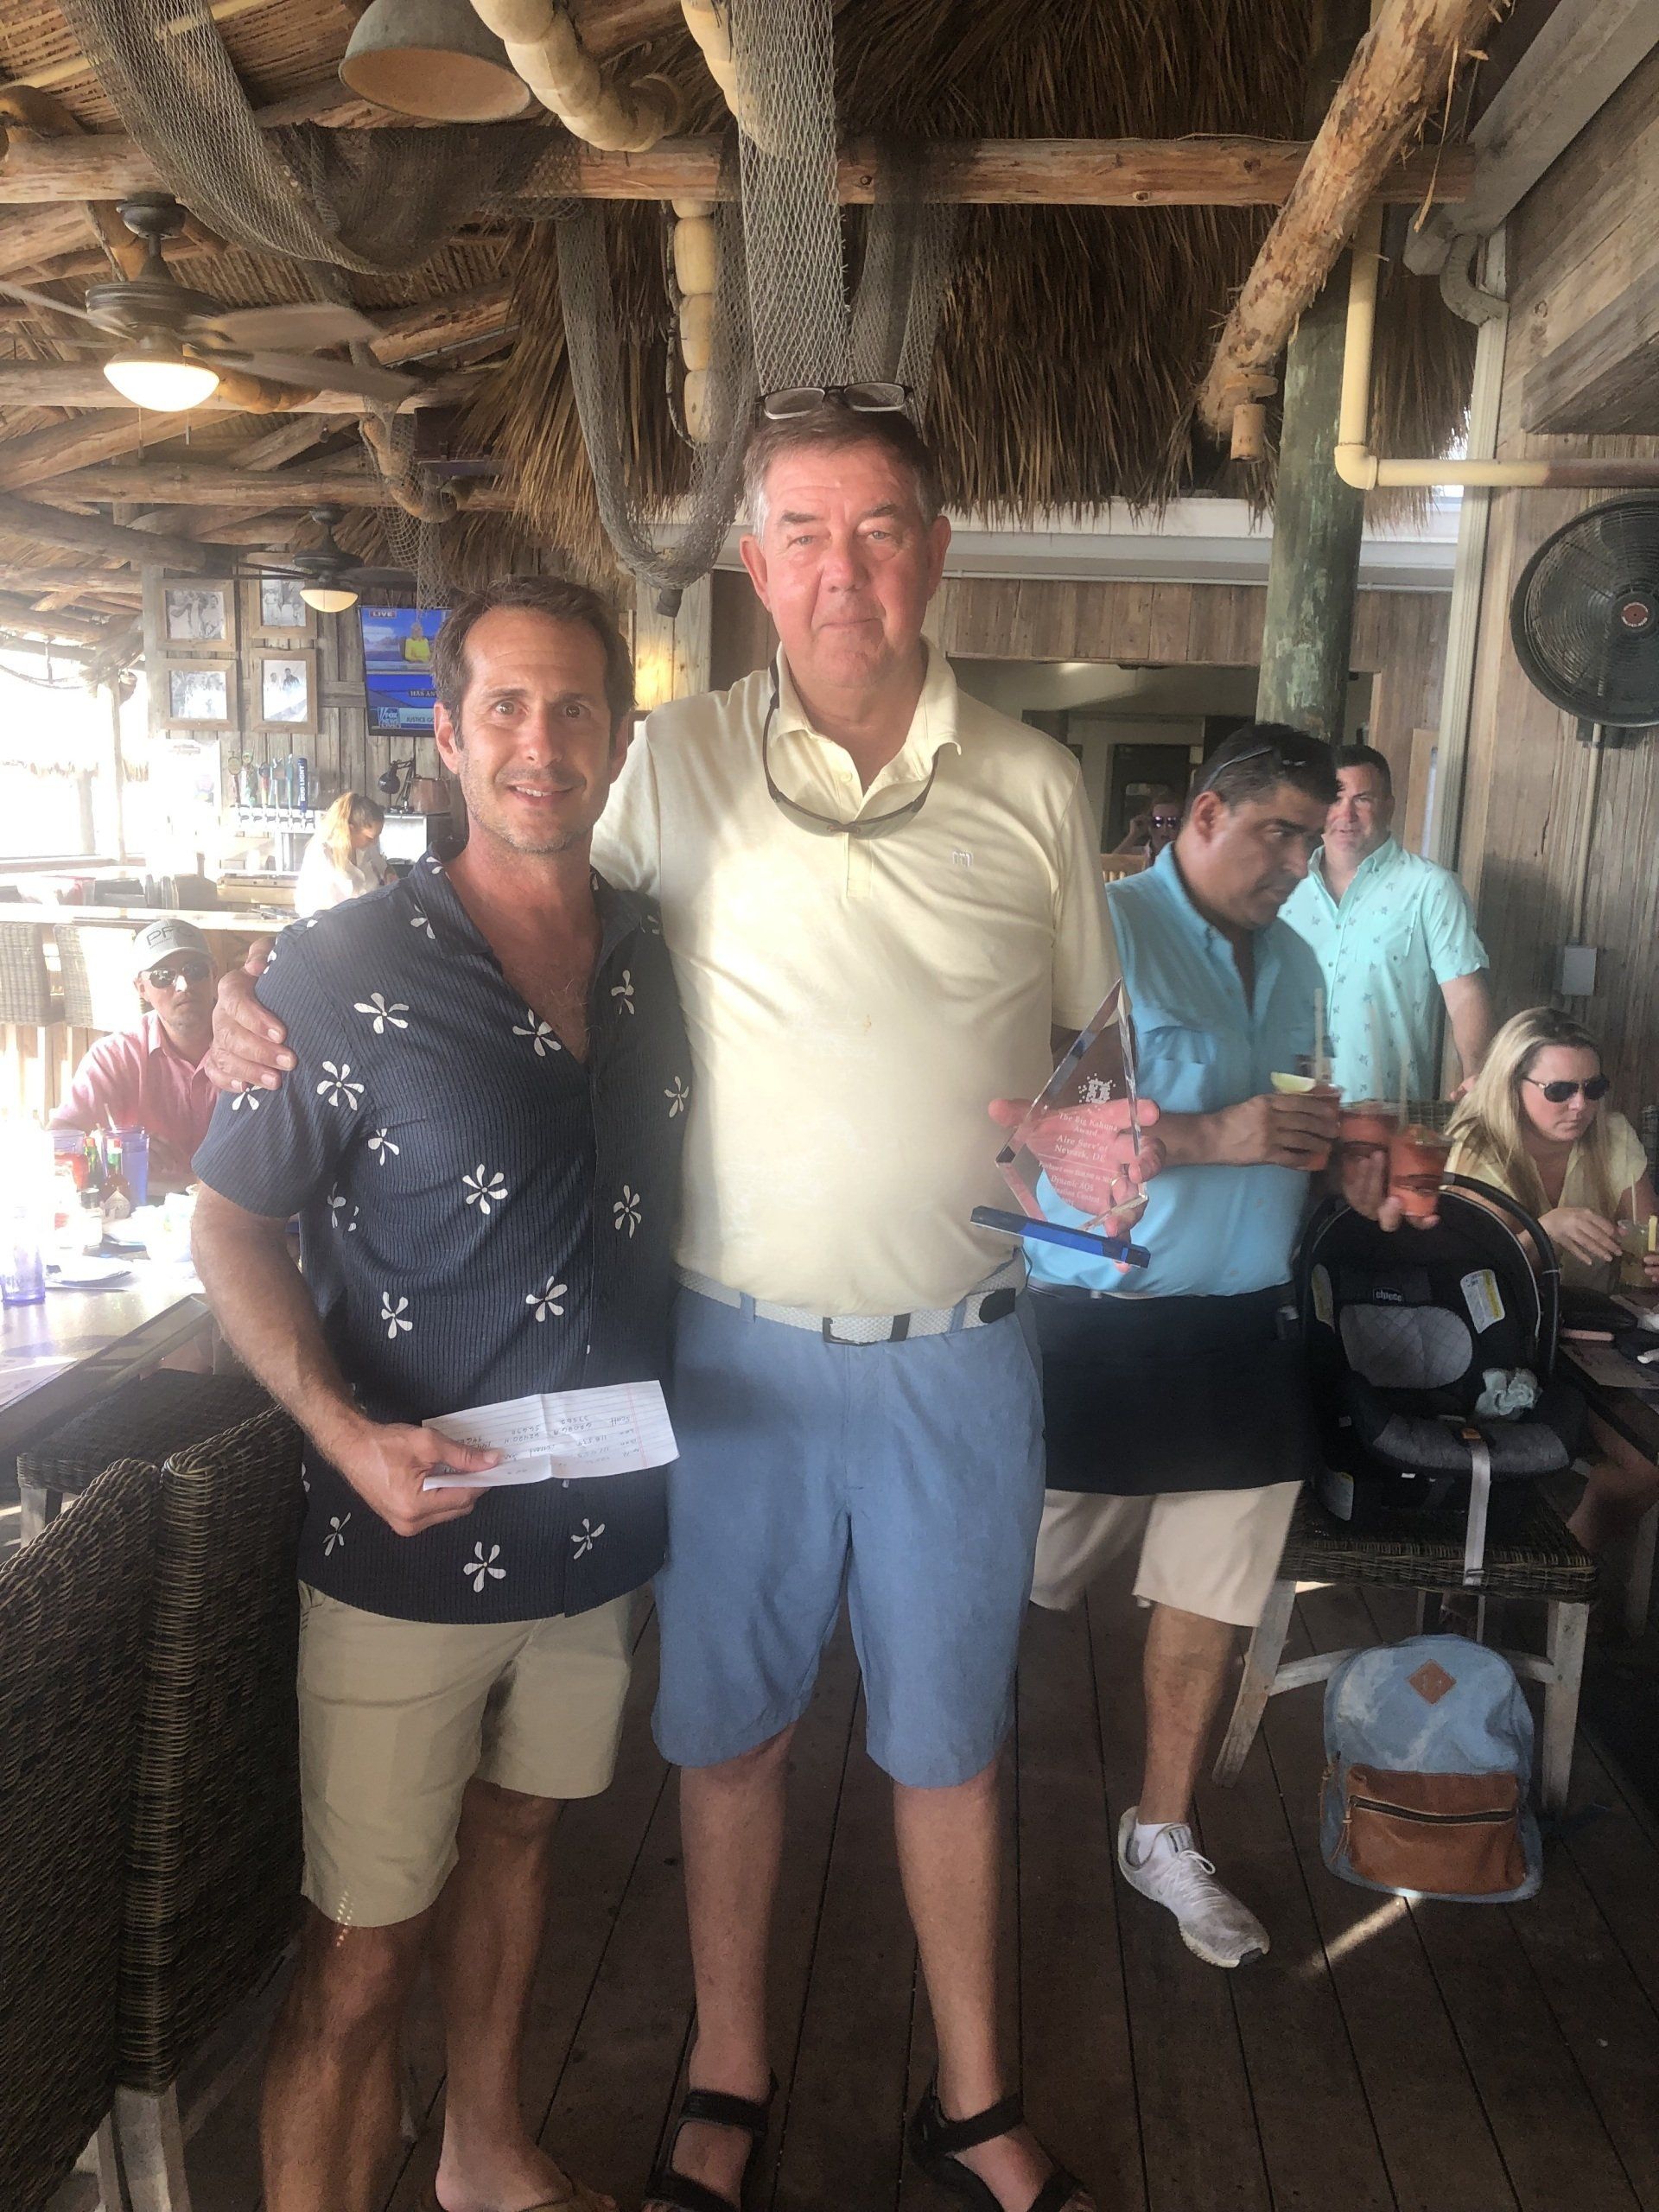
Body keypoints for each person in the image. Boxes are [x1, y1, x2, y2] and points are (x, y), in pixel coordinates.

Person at [207, 404, 1154, 2212]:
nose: (842, 568)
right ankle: (728, 2070)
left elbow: (1092, 1047)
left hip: (959, 1353)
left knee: (949, 1747)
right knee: (725, 1738)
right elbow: (492, 886)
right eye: (802, 531)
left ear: (937, 549)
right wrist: (258, 985)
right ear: (756, 568)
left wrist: (1104, 1140)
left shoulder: (1038, 782)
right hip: (720, 1360)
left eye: (880, 529)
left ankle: (971, 2097)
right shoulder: (679, 767)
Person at [189, 577, 690, 2212]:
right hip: (407, 1531)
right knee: (358, 1946)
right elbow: (229, 1218)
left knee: (529, 1842)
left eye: (573, 712)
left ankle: (484, 2148)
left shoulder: (654, 954)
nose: (540, 744)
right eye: (505, 711)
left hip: (594, 1523)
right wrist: (339, 1433)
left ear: (619, 740)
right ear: (449, 737)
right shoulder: (333, 971)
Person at [1010, 724, 1416, 1971]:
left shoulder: (1296, 961)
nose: (1298, 858)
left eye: (1319, 830)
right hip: (1092, 1323)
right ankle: (955, 1790)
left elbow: (1289, 1116)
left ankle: (1165, 1829)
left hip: (1243, 1325)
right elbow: (1036, 1125)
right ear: (1202, 815)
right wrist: (1215, 1137)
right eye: (1276, 832)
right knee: (1002, 1588)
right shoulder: (1101, 927)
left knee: (1208, 1603)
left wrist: (1349, 1154)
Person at [1447, 1006, 1659, 1556]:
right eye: (1560, 1088)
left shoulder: (1611, 1135)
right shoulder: (1479, 1147)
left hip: (1588, 1337)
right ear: (1512, 1085)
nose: (1580, 1105)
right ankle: (1534, 1588)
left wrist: (1655, 1260)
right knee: (1641, 1466)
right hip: (1498, 1347)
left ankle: (1556, 1589)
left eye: (1594, 1087)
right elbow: (1465, 1284)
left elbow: (1645, 1238)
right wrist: (1543, 1233)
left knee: (1644, 1466)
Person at [1280, 742, 1493, 1102]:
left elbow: (1466, 995)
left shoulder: (1430, 888)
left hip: (1385, 1117)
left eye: (1363, 799)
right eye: (1336, 798)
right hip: (1286, 1112)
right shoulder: (1284, 885)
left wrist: (1480, 1077)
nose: (1346, 814)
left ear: (1389, 806)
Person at [50, 917, 217, 1192]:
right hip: (143, 1210)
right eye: (163, 976)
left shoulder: (251, 1044)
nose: (183, 985)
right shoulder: (114, 1056)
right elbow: (59, 1138)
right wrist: (117, 1147)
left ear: (214, 974)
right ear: (142, 988)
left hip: (238, 1210)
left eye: (195, 970)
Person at [295, 791, 395, 917]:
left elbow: (384, 868)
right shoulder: (322, 854)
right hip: (334, 931)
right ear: (350, 829)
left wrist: (389, 873)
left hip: (371, 924)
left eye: (377, 837)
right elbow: (309, 908)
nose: (374, 843)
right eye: (370, 838)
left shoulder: (367, 848)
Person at [1107, 783, 1182, 865]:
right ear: (1149, 823)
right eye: (1158, 821)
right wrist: (1133, 835)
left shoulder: (1186, 857)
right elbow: (1110, 865)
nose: (1165, 828)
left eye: (1172, 822)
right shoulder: (1135, 855)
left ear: (1181, 825)